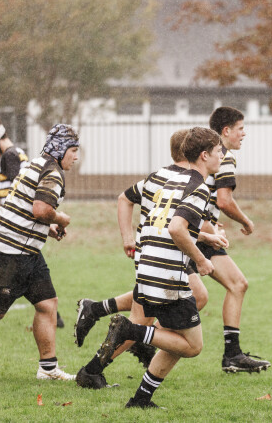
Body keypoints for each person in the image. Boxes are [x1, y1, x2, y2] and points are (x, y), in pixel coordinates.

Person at [74, 128, 227, 389]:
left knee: (193, 299)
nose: (221, 155)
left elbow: (140, 206)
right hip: (162, 256)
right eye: (217, 151)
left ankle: (99, 312)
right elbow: (173, 226)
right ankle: (95, 367)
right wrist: (129, 238)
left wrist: (203, 237)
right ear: (195, 152)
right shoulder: (178, 180)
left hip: (159, 253)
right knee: (142, 321)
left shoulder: (160, 176)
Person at [0, 123, 80, 381]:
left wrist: (48, 228)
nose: (76, 156)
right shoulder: (52, 172)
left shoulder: (35, 164)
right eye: (74, 150)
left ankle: (48, 369)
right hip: (12, 252)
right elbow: (41, 209)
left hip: (27, 251)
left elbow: (25, 206)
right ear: (61, 149)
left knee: (47, 304)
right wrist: (61, 219)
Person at [199, 106, 270, 373]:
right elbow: (224, 200)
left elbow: (204, 197)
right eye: (240, 128)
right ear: (226, 131)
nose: (244, 133)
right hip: (195, 235)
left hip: (200, 231)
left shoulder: (204, 154)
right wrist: (246, 221)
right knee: (173, 300)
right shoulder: (224, 157)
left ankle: (232, 354)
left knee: (237, 284)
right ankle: (111, 319)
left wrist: (211, 222)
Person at [0, 121, 65, 328]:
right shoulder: (20, 153)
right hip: (22, 229)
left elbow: (23, 194)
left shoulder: (9, 156)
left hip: (14, 231)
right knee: (42, 297)